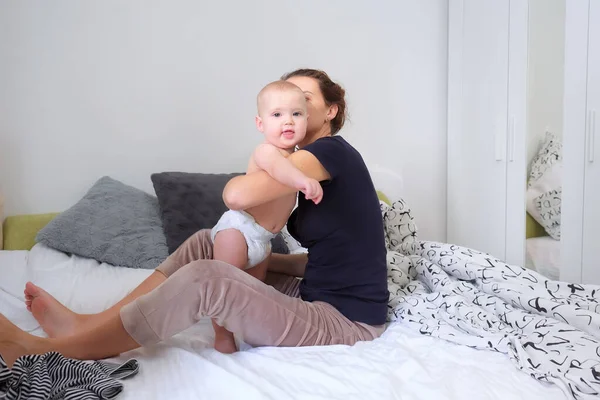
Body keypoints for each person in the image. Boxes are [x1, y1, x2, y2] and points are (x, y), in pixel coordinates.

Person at [0, 68, 389, 367]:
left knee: (208, 279)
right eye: (283, 105)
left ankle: (53, 351)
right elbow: (330, 257)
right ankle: (89, 325)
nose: (291, 115)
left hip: (344, 322)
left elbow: (234, 195)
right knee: (208, 241)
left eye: (302, 102)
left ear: (329, 110)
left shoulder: (331, 152)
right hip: (317, 294)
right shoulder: (308, 169)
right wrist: (272, 264)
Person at [209, 79, 323, 352]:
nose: (288, 122)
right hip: (239, 230)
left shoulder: (302, 157)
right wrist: (304, 182)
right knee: (226, 286)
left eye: (296, 114)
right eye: (277, 115)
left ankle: (249, 328)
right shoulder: (267, 152)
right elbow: (281, 170)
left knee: (254, 291)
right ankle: (222, 335)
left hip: (264, 240)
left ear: (307, 119)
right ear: (261, 124)